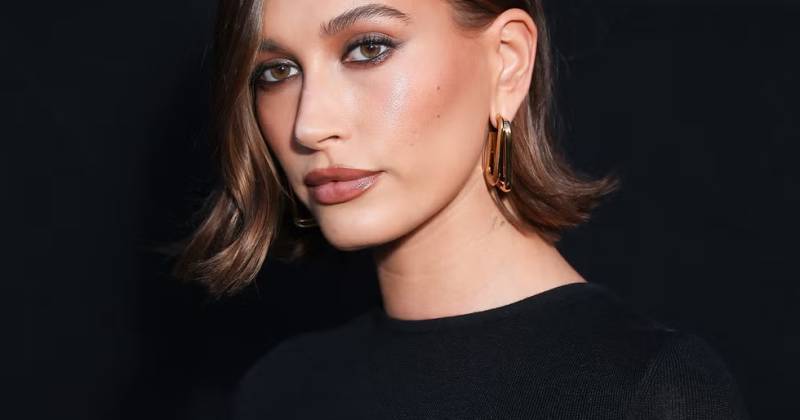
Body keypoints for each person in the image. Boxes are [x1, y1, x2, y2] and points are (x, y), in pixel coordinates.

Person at [175, 0, 749, 418]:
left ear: (507, 62)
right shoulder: (279, 389)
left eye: (368, 49)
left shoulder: (646, 390)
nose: (309, 125)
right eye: (277, 72)